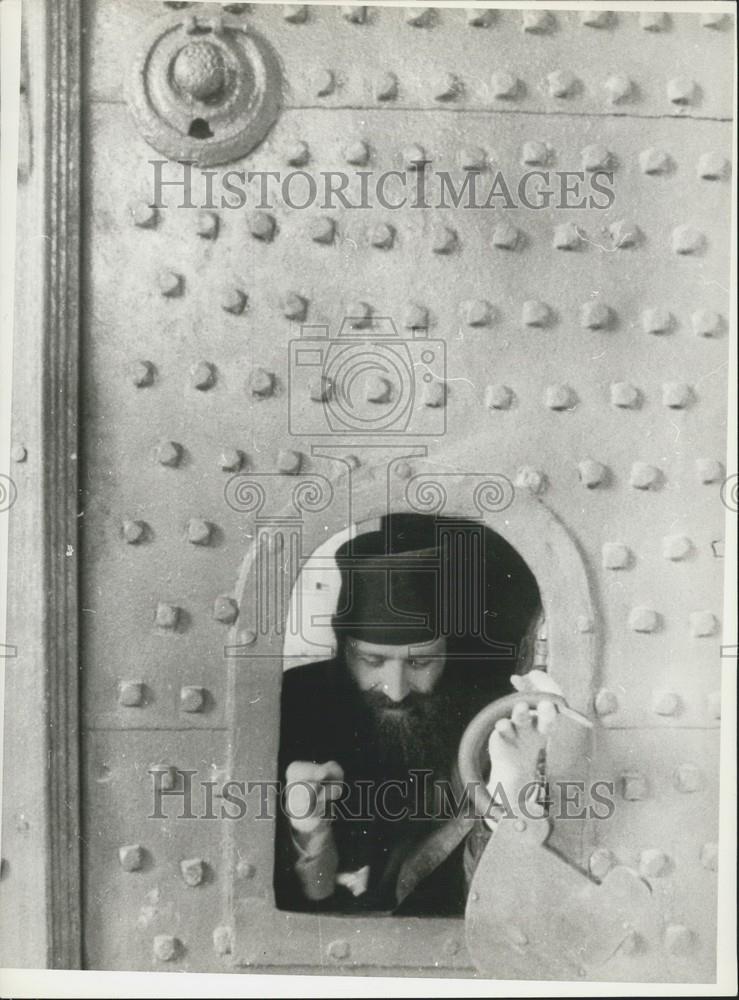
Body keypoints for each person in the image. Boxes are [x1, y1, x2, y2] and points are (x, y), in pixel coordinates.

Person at [274, 526, 554, 915]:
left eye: (421, 662)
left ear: (448, 653)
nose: (396, 689)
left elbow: (490, 900)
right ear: (343, 649)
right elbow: (303, 898)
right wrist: (310, 831)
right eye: (373, 661)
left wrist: (506, 795)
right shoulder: (294, 705)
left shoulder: (484, 719)